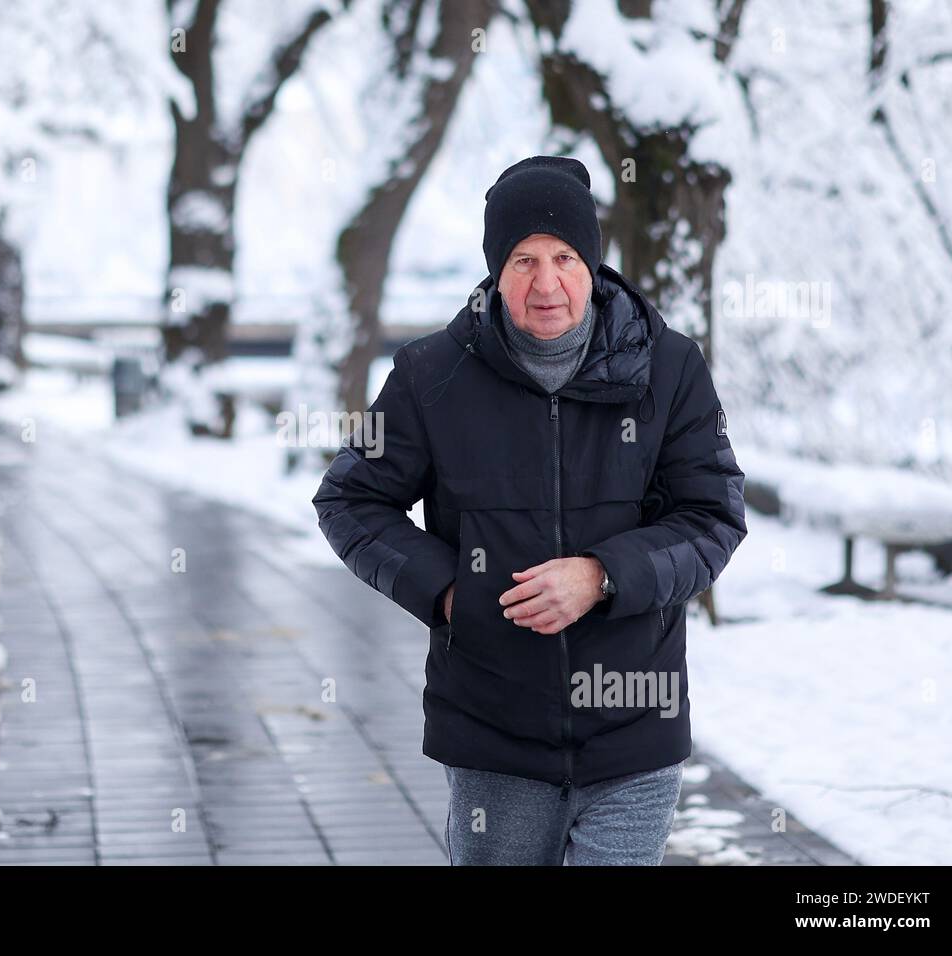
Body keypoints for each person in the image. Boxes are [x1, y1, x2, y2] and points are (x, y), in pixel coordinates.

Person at [312, 156, 748, 865]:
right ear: (494, 270)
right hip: (495, 734)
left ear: (593, 265)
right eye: (523, 260)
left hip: (634, 725)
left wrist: (604, 574)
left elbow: (714, 516)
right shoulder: (429, 374)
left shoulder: (668, 368)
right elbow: (350, 499)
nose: (547, 284)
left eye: (565, 257)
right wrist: (454, 593)